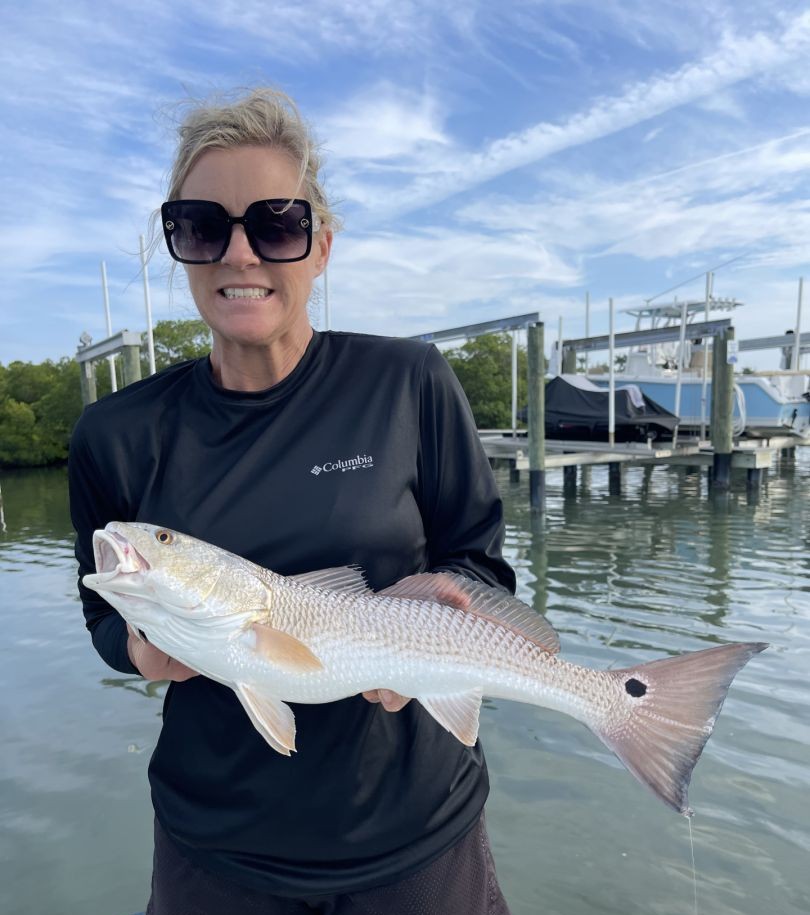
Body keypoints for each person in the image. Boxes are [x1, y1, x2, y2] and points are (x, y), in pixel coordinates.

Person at [69, 87, 515, 915]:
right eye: (203, 226)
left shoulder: (409, 381)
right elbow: (97, 610)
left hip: (415, 842)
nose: (240, 255)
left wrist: (434, 617)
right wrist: (140, 652)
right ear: (179, 246)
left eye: (275, 224)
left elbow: (480, 559)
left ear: (321, 246)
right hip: (215, 854)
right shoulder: (116, 433)